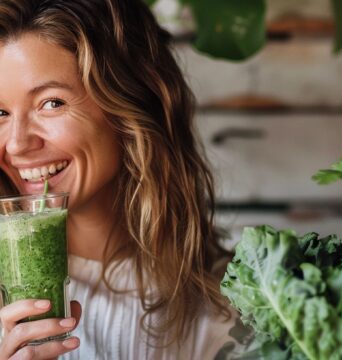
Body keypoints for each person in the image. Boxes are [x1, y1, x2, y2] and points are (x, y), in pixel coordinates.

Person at [0, 0, 247, 359]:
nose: (18, 144)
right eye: (0, 112)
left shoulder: (236, 302)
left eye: (51, 103)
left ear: (130, 105)